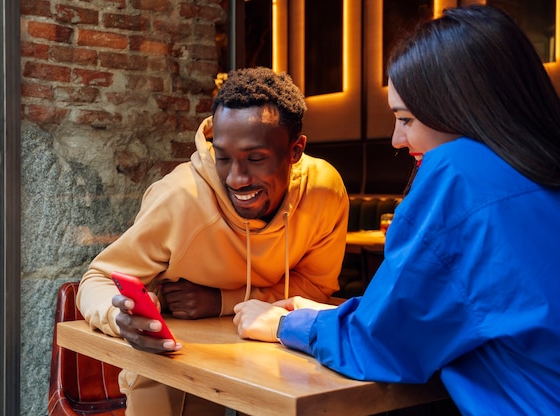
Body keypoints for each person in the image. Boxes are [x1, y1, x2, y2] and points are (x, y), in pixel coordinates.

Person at [233, 6, 560, 415]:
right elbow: (466, 315)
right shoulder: (536, 169)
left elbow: (383, 344)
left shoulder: (459, 171)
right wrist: (337, 313)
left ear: (461, 106)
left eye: (405, 119)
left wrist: (282, 325)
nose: (396, 140)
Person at [76, 66, 349, 415]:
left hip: (277, 365)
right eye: (222, 158)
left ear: (295, 151)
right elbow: (97, 278)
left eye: (255, 159)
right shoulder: (179, 197)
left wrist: (222, 301)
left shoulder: (323, 191)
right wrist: (121, 318)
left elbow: (316, 285)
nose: (236, 179)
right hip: (176, 373)